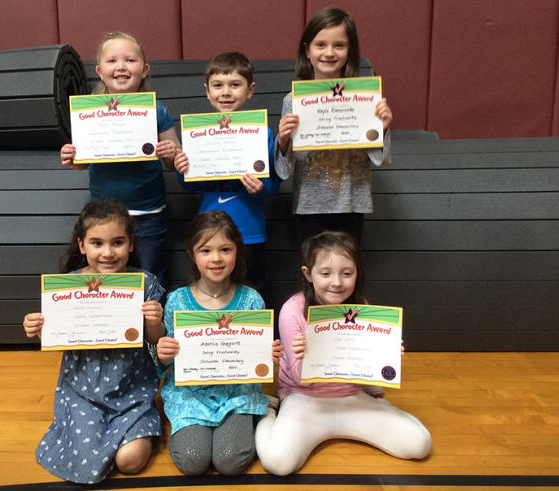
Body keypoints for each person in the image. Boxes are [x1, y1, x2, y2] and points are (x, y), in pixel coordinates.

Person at [255, 231, 432, 475]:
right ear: (308, 274)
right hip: (304, 401)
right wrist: (304, 355)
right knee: (278, 463)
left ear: (357, 272)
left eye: (346, 273)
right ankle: (267, 413)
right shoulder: (292, 310)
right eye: (325, 273)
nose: (337, 282)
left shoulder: (363, 309)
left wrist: (385, 358)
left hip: (351, 397)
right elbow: (297, 377)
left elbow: (372, 377)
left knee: (420, 445)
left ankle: (388, 410)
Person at [22, 197, 166, 484]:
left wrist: (154, 322)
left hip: (132, 390)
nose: (108, 253)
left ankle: (135, 428)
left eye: (117, 242)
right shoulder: (69, 284)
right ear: (81, 246)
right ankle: (96, 434)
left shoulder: (144, 283)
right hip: (82, 390)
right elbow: (59, 336)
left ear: (131, 244)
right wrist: (39, 327)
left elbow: (157, 342)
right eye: (97, 243)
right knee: (85, 460)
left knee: (131, 462)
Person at [156, 210, 282, 475]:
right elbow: (165, 363)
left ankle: (262, 410)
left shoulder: (251, 300)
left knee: (229, 461)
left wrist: (268, 355)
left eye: (225, 249)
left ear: (237, 252)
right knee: (192, 460)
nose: (216, 258)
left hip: (236, 394)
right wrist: (164, 352)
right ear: (192, 255)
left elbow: (258, 359)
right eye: (206, 250)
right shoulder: (177, 301)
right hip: (190, 395)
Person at [60, 32, 181, 284]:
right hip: (104, 217)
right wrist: (72, 158)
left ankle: (151, 324)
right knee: (107, 280)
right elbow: (82, 162)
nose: (121, 67)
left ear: (144, 69)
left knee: (152, 278)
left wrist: (171, 152)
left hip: (148, 213)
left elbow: (175, 160)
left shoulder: (157, 110)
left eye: (130, 60)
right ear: (100, 70)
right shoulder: (88, 112)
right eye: (112, 61)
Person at [275, 7, 393, 246]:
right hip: (309, 206)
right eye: (320, 45)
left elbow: (380, 158)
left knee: (347, 272)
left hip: (351, 202)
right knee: (312, 274)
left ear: (350, 51)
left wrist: (383, 127)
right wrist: (284, 140)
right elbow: (283, 170)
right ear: (307, 51)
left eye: (339, 45)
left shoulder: (365, 97)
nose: (329, 52)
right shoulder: (293, 101)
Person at [173, 52, 282, 291]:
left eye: (235, 85)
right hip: (209, 233)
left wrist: (262, 189)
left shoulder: (261, 133)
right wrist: (182, 170)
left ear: (250, 90)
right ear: (207, 91)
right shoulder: (197, 135)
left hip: (250, 233)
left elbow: (274, 182)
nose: (226, 92)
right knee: (213, 291)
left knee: (253, 291)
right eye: (218, 85)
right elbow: (192, 185)